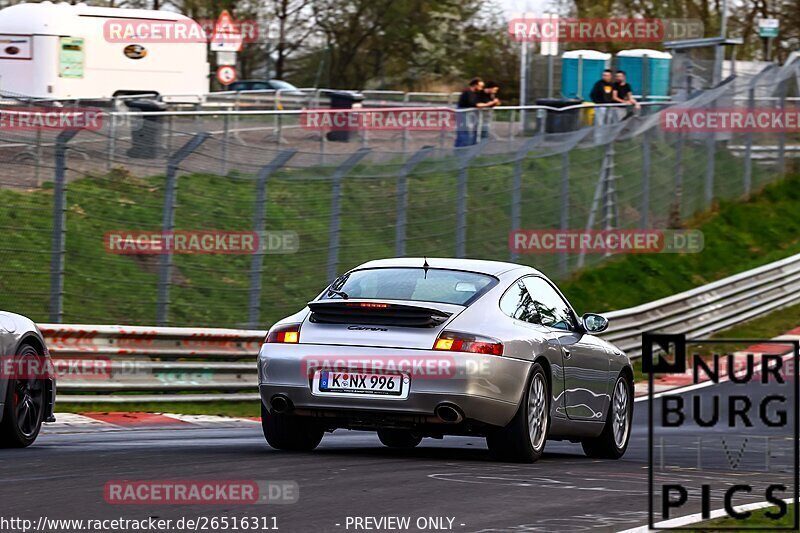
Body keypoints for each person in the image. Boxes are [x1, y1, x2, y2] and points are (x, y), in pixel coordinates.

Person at [454, 78, 496, 147]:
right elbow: (476, 104)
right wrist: (489, 103)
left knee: (471, 133)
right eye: (480, 86)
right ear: (475, 85)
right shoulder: (467, 93)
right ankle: (461, 151)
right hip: (464, 114)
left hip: (470, 114)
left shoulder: (475, 93)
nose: (481, 88)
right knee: (464, 133)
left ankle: (470, 150)